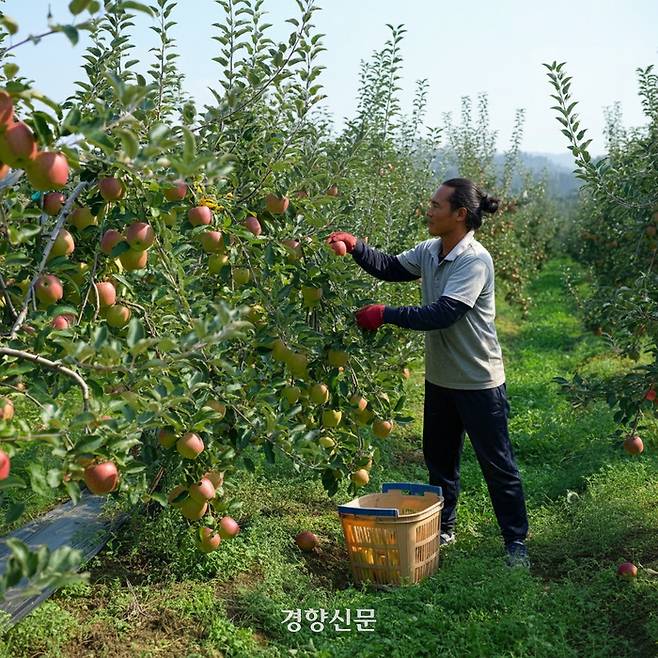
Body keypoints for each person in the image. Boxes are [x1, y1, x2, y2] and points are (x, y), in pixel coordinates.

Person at [326, 178, 530, 568]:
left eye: (437, 205)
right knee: (440, 461)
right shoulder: (430, 250)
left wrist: (385, 314)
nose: (429, 210)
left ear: (460, 215)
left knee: (497, 464)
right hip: (441, 380)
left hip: (478, 381)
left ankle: (515, 541)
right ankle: (445, 527)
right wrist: (357, 247)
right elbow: (389, 268)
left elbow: (444, 313)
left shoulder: (473, 260)